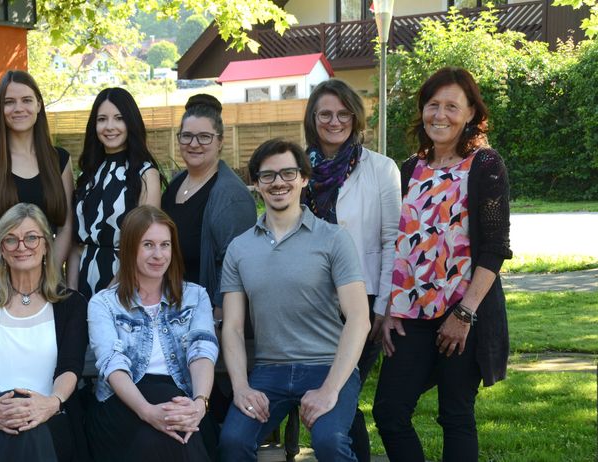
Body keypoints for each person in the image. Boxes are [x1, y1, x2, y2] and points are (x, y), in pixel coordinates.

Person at [372, 67, 512, 462]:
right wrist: (390, 308)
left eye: (453, 106)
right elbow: (395, 246)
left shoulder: (484, 165)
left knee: (455, 415)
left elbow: (495, 248)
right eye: (433, 104)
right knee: (389, 411)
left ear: (470, 114)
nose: (441, 114)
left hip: (463, 314)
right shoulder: (406, 171)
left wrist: (465, 314)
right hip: (411, 315)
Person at [218, 139, 369, 462]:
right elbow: (231, 327)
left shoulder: (333, 239)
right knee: (232, 441)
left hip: (327, 365)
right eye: (268, 175)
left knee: (331, 442)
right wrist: (242, 387)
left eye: (288, 172)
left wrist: (330, 389)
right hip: (269, 370)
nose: (278, 182)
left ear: (303, 178)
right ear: (256, 183)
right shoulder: (240, 249)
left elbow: (359, 318)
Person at [302, 79, 401, 462]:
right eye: (325, 113)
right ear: (313, 118)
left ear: (355, 118)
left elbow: (394, 238)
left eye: (344, 113)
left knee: (342, 389)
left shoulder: (380, 168)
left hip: (364, 300)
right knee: (338, 395)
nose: (334, 121)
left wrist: (384, 306)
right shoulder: (299, 168)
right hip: (312, 301)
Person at [86, 205, 218, 462]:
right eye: (148, 245)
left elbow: (202, 351)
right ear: (129, 248)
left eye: (165, 245)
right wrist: (147, 411)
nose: (158, 254)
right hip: (122, 404)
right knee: (172, 424)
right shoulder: (104, 304)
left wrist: (199, 405)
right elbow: (112, 364)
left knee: (160, 436)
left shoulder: (195, 296)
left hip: (183, 404)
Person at [0, 203, 89, 462]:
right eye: (11, 240)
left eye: (31, 238)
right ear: (1, 249)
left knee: (30, 431)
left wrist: (50, 404)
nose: (22, 247)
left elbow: (70, 367)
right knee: (17, 427)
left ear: (45, 245)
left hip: (54, 413)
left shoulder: (71, 305)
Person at [0, 70, 74, 283]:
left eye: (26, 100)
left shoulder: (60, 160)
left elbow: (67, 227)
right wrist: (4, 283)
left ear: (39, 105)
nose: (18, 108)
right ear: (0, 109)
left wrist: (47, 279)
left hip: (48, 281)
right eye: (9, 102)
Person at [161, 94, 257, 310]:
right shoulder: (176, 182)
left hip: (203, 314)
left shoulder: (231, 196)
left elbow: (235, 266)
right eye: (186, 136)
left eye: (204, 137)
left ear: (220, 141)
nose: (194, 144)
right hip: (169, 306)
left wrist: (218, 317)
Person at [70, 87, 162, 299]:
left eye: (119, 118)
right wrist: (72, 295)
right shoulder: (88, 174)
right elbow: (76, 245)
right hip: (83, 286)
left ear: (131, 123)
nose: (109, 127)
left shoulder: (146, 174)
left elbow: (144, 244)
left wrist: (108, 297)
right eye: (102, 119)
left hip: (125, 288)